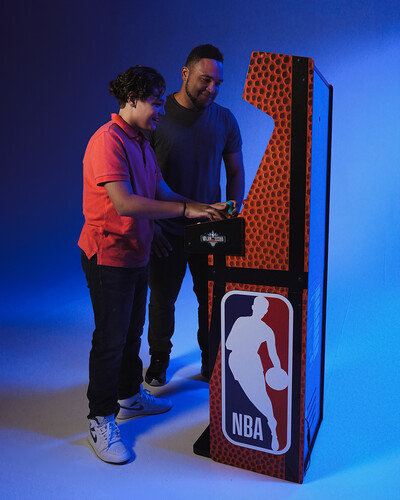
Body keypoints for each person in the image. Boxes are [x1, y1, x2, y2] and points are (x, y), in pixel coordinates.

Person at [78, 65, 234, 464]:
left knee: (131, 333)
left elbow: (161, 190)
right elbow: (125, 203)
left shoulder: (143, 143)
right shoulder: (107, 141)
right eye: (156, 102)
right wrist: (184, 209)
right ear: (132, 99)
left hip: (135, 253)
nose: (162, 111)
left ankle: (129, 396)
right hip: (108, 256)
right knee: (110, 339)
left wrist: (201, 208)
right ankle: (100, 418)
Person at [146, 44, 245, 386]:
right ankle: (159, 359)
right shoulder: (158, 115)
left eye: (218, 83)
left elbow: (235, 171)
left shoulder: (225, 119)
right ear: (185, 73)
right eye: (205, 80)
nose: (212, 88)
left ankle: (210, 360)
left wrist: (232, 212)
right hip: (165, 227)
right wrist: (150, 226)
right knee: (162, 300)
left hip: (209, 229)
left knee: (212, 299)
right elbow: (141, 177)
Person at [226, 296, 284, 451]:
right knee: (254, 395)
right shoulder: (245, 323)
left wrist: (278, 370)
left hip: (248, 361)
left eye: (263, 309)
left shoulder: (264, 329)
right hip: (238, 361)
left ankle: (271, 423)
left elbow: (273, 355)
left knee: (260, 395)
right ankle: (270, 421)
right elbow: (228, 344)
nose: (261, 311)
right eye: (261, 308)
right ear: (255, 308)